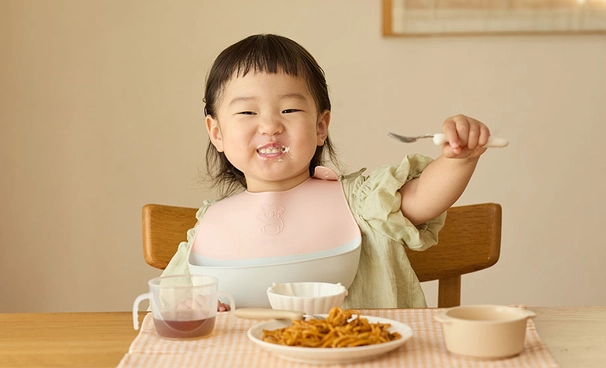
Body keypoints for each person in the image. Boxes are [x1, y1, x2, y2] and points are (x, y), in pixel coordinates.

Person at [161, 34, 494, 310]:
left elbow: (424, 198)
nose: (270, 125)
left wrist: (457, 159)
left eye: (289, 109)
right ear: (216, 132)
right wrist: (198, 309)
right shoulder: (208, 227)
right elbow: (170, 306)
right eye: (247, 111)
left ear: (321, 126)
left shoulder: (362, 203)